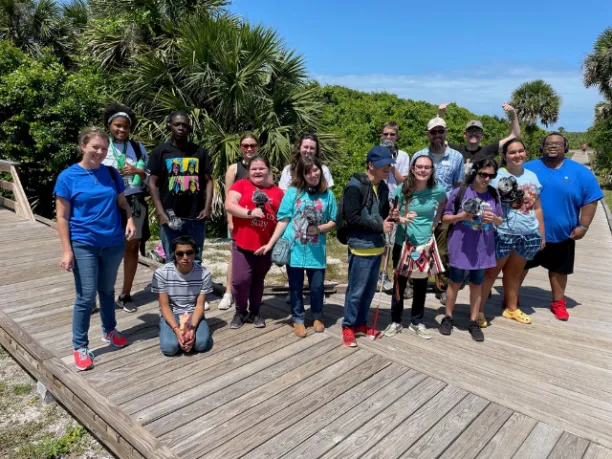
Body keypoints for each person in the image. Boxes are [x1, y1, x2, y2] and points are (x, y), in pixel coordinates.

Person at [55, 127, 136, 371]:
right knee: (86, 296)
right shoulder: (67, 177)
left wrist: (130, 219)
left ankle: (109, 330)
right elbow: (62, 217)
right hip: (84, 243)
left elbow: (122, 202)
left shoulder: (111, 173)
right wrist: (67, 250)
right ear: (83, 146)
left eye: (103, 148)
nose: (99, 152)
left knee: (108, 290)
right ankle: (80, 345)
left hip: (113, 242)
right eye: (95, 147)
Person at [522, 133, 603, 320]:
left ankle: (558, 302)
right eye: (549, 144)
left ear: (565, 147)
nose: (553, 146)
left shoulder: (580, 172)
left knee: (559, 270)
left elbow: (591, 200)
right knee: (519, 267)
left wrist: (584, 225)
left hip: (562, 233)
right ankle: (511, 298)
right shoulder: (528, 168)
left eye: (558, 144)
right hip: (528, 230)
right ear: (542, 147)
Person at [257, 157, 337, 337]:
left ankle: (317, 315)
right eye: (308, 171)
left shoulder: (328, 195)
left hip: (316, 251)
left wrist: (320, 228)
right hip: (295, 249)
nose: (313, 174)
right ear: (302, 174)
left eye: (316, 170)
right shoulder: (293, 193)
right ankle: (298, 318)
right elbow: (283, 219)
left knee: (317, 286)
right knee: (295, 286)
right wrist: (270, 243)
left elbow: (333, 220)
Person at [148, 111, 213, 309]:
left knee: (196, 256)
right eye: (177, 124)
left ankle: (196, 297)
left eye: (184, 124)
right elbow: (152, 183)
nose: (181, 127)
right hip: (171, 215)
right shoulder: (161, 151)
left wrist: (208, 206)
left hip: (196, 215)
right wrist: (160, 211)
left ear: (189, 127)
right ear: (170, 125)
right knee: (171, 258)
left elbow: (209, 180)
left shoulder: (198, 151)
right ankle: (170, 298)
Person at [478, 139, 545, 326]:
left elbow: (537, 207)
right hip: (502, 232)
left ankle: (512, 308)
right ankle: (479, 310)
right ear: (504, 156)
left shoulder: (532, 176)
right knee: (490, 274)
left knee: (514, 274)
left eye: (520, 151)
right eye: (512, 152)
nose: (517, 155)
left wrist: (541, 233)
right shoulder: (496, 176)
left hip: (527, 233)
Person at [384, 155, 447, 339]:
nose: (422, 170)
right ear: (412, 169)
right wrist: (401, 219)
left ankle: (416, 321)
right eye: (419, 167)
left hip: (424, 243)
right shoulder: (403, 189)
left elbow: (444, 202)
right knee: (400, 283)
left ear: (432, 170)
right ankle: (395, 320)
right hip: (403, 243)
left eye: (427, 167)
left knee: (420, 284)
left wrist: (436, 221)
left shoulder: (437, 190)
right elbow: (392, 212)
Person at [440, 159, 502, 342]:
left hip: (483, 247)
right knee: (455, 282)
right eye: (483, 174)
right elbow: (445, 218)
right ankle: (448, 316)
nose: (486, 179)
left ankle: (473, 321)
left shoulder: (494, 193)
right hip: (461, 245)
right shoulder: (460, 191)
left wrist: (494, 220)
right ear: (475, 172)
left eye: (491, 176)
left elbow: (500, 219)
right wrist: (462, 216)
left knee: (477, 284)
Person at [341, 145, 397, 347]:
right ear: (371, 165)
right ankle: (348, 326)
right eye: (384, 165)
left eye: (389, 164)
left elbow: (380, 215)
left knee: (369, 290)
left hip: (377, 246)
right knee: (356, 291)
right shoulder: (355, 186)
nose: (388, 168)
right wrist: (380, 225)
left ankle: (360, 324)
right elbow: (352, 218)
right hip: (360, 246)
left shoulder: (382, 187)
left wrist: (392, 216)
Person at [225, 155, 284, 329]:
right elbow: (229, 205)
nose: (257, 172)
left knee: (258, 279)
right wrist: (249, 213)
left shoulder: (278, 192)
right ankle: (240, 310)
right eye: (254, 169)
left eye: (261, 168)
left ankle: (255, 312)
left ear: (268, 170)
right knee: (240, 280)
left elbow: (283, 218)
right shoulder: (241, 185)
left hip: (265, 245)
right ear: (248, 172)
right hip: (242, 242)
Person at [412, 117, 465, 305]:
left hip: (445, 213)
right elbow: (411, 184)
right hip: (421, 213)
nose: (437, 135)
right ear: (428, 134)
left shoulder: (457, 157)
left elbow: (458, 187)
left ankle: (441, 286)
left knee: (443, 253)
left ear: (446, 133)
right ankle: (414, 281)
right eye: (433, 132)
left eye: (440, 131)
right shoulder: (419, 155)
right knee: (417, 249)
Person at [102, 103, 149, 314]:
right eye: (117, 126)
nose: (121, 130)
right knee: (105, 248)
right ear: (109, 125)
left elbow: (148, 176)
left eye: (126, 127)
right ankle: (102, 293)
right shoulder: (101, 146)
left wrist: (137, 170)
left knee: (132, 247)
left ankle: (126, 293)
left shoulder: (138, 148)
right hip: (109, 202)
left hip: (135, 200)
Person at [151, 236, 214, 356]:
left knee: (201, 344)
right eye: (180, 253)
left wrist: (192, 328)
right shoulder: (160, 274)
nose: (185, 257)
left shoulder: (205, 274)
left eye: (189, 253)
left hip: (193, 313)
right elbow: (164, 306)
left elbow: (200, 305)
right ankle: (167, 328)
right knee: (170, 349)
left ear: (195, 254)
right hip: (172, 312)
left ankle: (185, 335)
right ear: (174, 254)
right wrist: (176, 329)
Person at [219, 132, 260, 311]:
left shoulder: (262, 167)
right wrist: (230, 220)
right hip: (238, 220)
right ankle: (229, 293)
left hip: (257, 220)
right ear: (240, 148)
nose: (249, 149)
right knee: (235, 256)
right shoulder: (233, 169)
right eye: (245, 146)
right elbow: (227, 197)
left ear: (257, 147)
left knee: (256, 257)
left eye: (252, 145)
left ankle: (251, 294)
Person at [438, 102, 520, 171]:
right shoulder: (456, 151)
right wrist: (440, 115)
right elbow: (437, 139)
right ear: (464, 134)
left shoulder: (489, 150)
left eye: (477, 131)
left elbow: (514, 136)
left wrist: (513, 114)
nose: (474, 133)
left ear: (482, 135)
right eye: (470, 130)